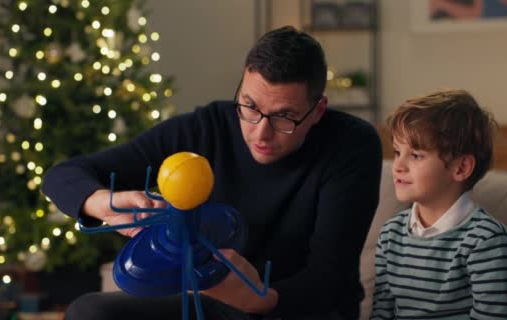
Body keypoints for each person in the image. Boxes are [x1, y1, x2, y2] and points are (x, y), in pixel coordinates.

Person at [42, 26, 382, 320]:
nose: (260, 132)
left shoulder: (352, 145)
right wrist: (104, 203)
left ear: (318, 109)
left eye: (284, 117)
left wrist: (261, 298)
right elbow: (64, 175)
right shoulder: (207, 127)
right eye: (249, 106)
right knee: (89, 311)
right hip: (208, 304)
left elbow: (327, 279)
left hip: (298, 308)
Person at [369, 89, 507, 320]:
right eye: (398, 152)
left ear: (460, 168)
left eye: (416, 155)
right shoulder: (391, 234)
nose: (397, 165)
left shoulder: (488, 242)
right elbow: (382, 312)